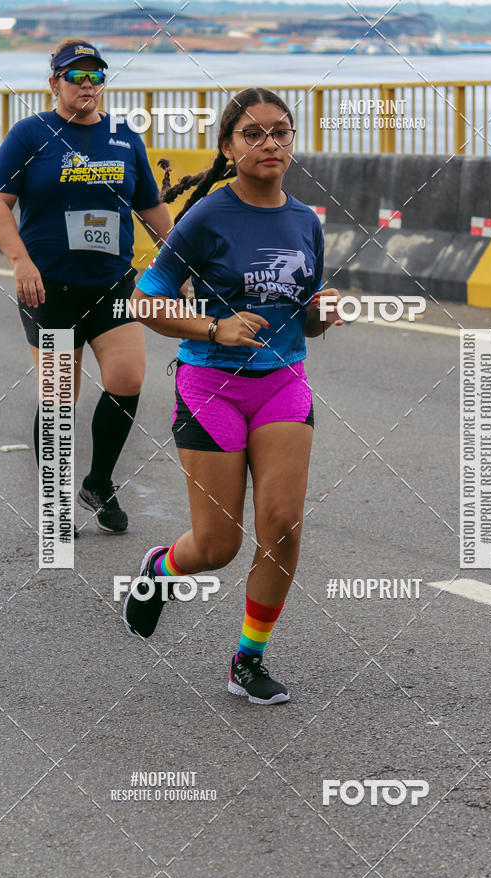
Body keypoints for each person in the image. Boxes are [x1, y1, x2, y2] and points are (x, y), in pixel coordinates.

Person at [123, 87, 342, 704]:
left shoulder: (305, 220)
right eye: (254, 133)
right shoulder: (206, 218)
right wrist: (213, 327)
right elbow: (146, 302)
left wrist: (322, 314)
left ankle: (247, 660)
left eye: (282, 131)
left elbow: (304, 310)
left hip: (283, 383)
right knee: (217, 548)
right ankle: (160, 569)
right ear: (228, 147)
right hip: (210, 386)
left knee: (283, 525)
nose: (270, 143)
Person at [0, 38, 173, 533]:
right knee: (59, 395)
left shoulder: (125, 136)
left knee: (128, 380)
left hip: (111, 284)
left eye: (96, 75)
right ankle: (55, 499)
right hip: (48, 288)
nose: (88, 84)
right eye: (76, 75)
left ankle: (98, 481)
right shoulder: (30, 135)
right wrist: (21, 263)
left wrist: (183, 261)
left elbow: (151, 209)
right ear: (55, 83)